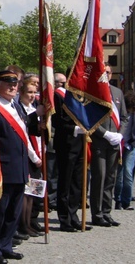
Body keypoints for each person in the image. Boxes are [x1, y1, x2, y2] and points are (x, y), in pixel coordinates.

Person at [0, 69, 35, 263]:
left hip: (19, 166)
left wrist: (33, 158)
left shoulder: (16, 106)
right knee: (0, 212)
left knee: (14, 211)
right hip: (4, 167)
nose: (13, 87)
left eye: (15, 84)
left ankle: (6, 245)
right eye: (8, 83)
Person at [89, 66, 126, 228]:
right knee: (100, 177)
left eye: (109, 72)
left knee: (111, 178)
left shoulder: (117, 92)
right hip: (100, 140)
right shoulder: (93, 93)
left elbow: (124, 117)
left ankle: (107, 212)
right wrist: (105, 134)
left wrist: (120, 134)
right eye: (103, 72)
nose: (107, 74)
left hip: (115, 142)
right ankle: (97, 214)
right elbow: (89, 118)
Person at [52, 72, 90, 232]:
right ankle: (64, 219)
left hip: (80, 144)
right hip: (66, 143)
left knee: (77, 182)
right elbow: (56, 121)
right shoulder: (59, 96)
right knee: (65, 182)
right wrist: (75, 129)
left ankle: (74, 216)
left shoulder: (81, 96)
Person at [14, 78, 43, 238]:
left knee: (35, 191)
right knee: (27, 192)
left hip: (38, 152)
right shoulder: (22, 110)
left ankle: (32, 219)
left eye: (34, 92)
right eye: (29, 92)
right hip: (29, 155)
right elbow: (25, 134)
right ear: (22, 93)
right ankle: (23, 223)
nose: (32, 96)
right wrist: (34, 156)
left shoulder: (34, 107)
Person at [114, 90, 135, 211]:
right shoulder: (120, 110)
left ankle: (126, 201)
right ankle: (117, 199)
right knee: (118, 175)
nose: (130, 111)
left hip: (131, 146)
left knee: (128, 173)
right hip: (119, 145)